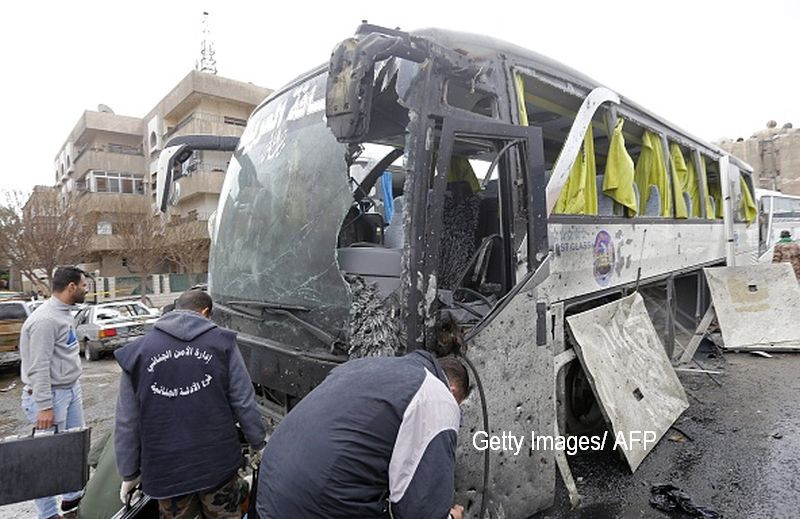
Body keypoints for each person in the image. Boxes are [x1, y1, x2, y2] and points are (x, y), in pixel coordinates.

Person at [257, 350, 470, 519]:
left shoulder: (363, 366)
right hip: (321, 503)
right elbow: (421, 509)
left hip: (269, 491)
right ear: (452, 391)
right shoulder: (440, 398)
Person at [114, 289, 266, 518]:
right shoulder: (222, 343)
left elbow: (127, 421)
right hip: (218, 463)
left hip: (166, 471)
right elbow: (243, 401)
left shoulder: (137, 353)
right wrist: (257, 442)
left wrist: (129, 473)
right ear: (205, 312)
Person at [19, 266, 89, 519]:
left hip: (70, 391)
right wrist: (44, 405)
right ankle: (48, 514)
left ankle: (72, 500)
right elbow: (38, 366)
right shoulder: (45, 320)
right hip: (51, 397)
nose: (86, 289)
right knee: (47, 459)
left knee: (73, 450)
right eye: (83, 285)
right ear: (71, 287)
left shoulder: (63, 313)